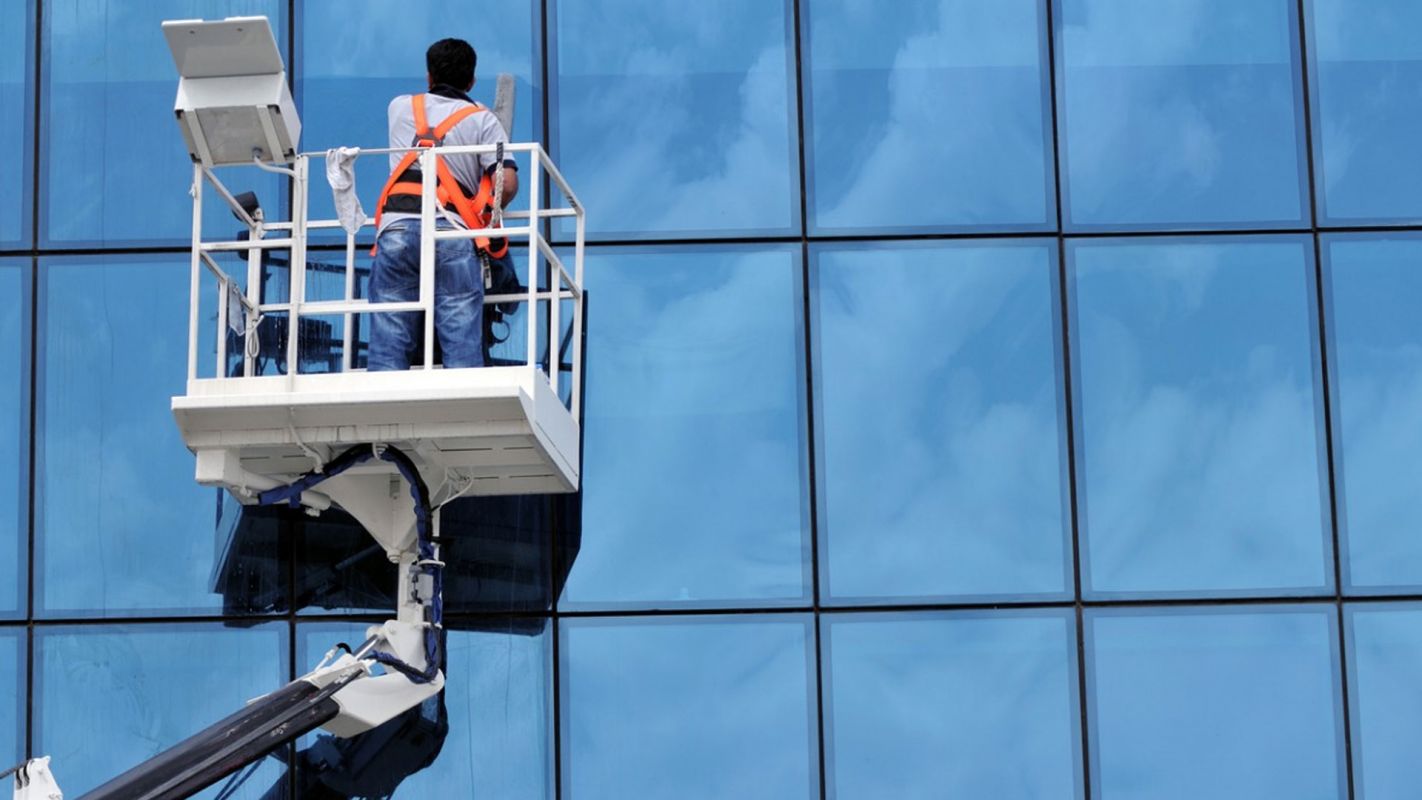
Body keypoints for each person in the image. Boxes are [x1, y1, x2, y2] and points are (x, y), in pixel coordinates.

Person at [367, 38, 519, 371]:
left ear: (429, 76)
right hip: (450, 232)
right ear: (472, 81)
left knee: (388, 342)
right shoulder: (482, 119)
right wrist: (485, 211)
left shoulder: (400, 108)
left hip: (396, 231)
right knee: (461, 340)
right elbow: (506, 185)